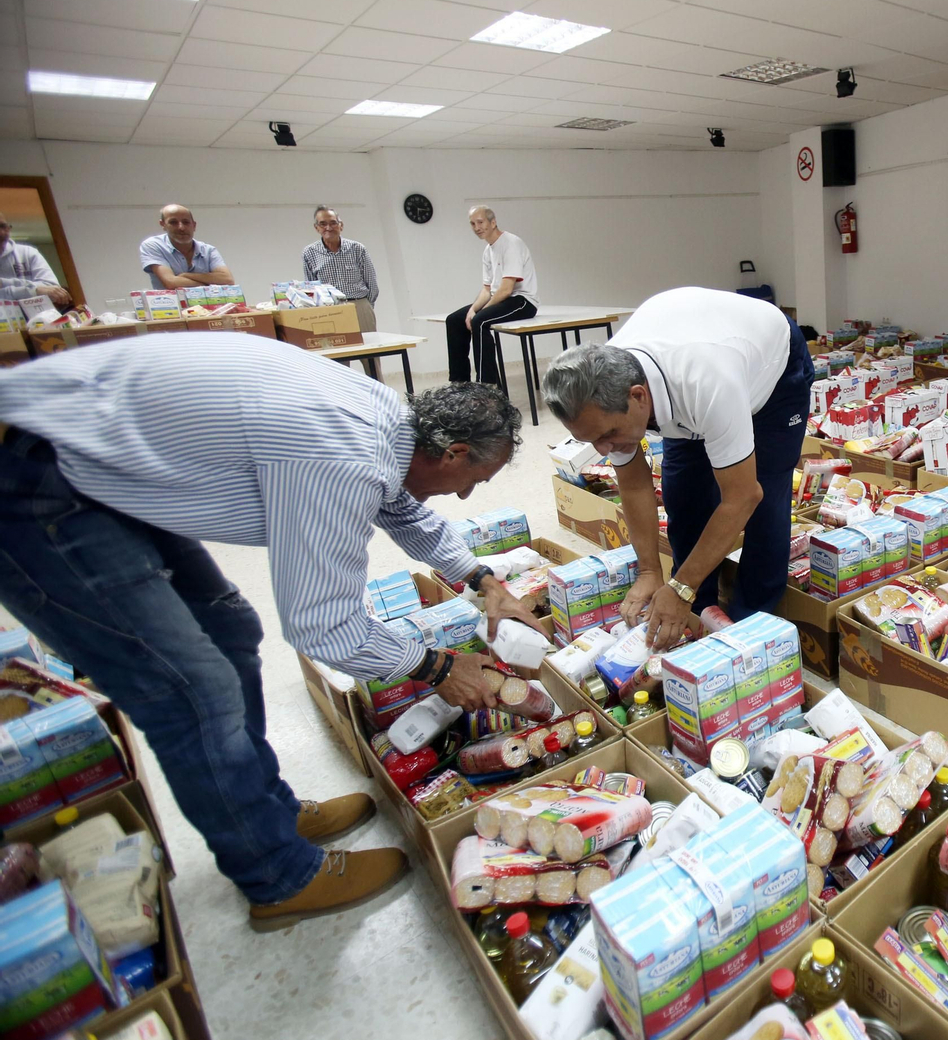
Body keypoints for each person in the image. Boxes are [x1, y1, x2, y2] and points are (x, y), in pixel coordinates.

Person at [0, 333, 548, 930]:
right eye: (471, 480)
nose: (466, 495)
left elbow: (404, 506)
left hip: (97, 462)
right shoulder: (344, 457)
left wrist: (481, 577)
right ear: (453, 451)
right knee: (192, 691)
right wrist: (439, 668)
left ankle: (267, 811)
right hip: (35, 478)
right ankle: (276, 876)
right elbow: (323, 626)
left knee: (231, 628)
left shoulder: (394, 421)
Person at [544, 287, 812, 647]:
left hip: (773, 372)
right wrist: (650, 572)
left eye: (608, 435)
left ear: (639, 397)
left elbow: (743, 496)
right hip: (690, 370)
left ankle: (748, 625)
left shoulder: (707, 383)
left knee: (764, 499)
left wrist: (679, 587)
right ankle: (693, 609)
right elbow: (635, 485)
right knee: (683, 495)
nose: (604, 449)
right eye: (591, 441)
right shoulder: (609, 400)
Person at [445, 205, 538, 386]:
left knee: (479, 321)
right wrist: (472, 309)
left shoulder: (511, 243)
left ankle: (486, 386)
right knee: (454, 320)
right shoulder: (488, 251)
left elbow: (506, 289)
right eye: (472, 224)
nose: (476, 227)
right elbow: (487, 290)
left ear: (493, 222)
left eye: (480, 222)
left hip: (522, 301)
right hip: (501, 298)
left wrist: (479, 313)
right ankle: (459, 384)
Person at [301, 205, 381, 334]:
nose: (328, 228)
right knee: (339, 348)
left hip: (359, 305)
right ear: (316, 228)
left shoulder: (357, 248)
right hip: (329, 310)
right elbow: (311, 288)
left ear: (341, 225)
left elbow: (371, 282)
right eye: (323, 224)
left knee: (370, 349)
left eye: (333, 223)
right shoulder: (309, 253)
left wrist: (366, 306)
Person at [139, 203, 234, 289]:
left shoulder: (208, 250)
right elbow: (171, 282)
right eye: (173, 222)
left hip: (206, 307)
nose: (181, 227)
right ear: (163, 225)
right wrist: (210, 283)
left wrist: (186, 275)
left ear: (194, 225)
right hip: (169, 306)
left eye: (186, 222)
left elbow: (228, 280)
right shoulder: (153, 245)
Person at [0, 211, 72, 307]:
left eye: (3, 226)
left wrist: (4, 283)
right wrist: (35, 291)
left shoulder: (28, 252)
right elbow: (43, 290)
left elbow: (52, 288)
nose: (1, 232)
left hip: (38, 319)